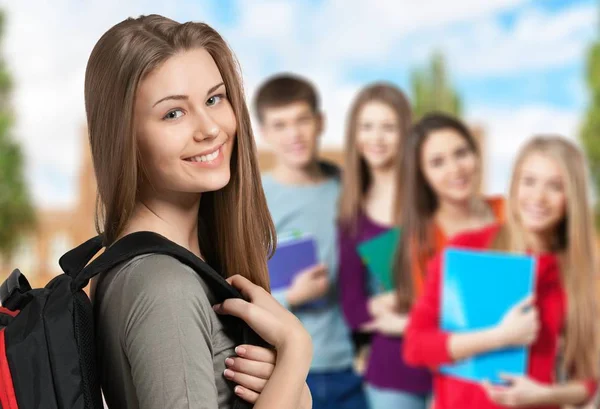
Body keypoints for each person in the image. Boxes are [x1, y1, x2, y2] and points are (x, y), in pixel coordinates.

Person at [88, 15, 312, 409]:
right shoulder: (163, 286)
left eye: (214, 99)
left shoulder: (182, 265)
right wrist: (294, 354)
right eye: (173, 113)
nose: (209, 128)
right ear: (125, 138)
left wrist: (294, 393)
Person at [404, 136, 599, 409]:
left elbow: (589, 380)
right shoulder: (467, 249)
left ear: (572, 198)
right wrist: (500, 337)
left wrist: (546, 395)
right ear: (515, 185)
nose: (538, 197)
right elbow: (416, 347)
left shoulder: (574, 273)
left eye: (555, 186)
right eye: (529, 181)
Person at [255, 74, 368, 409]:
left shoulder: (349, 189)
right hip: (284, 370)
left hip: (349, 367)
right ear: (264, 134)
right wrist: (292, 296)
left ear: (320, 122)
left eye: (302, 120)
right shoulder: (253, 199)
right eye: (280, 124)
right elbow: (236, 287)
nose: (294, 134)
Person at [337, 83, 432, 408]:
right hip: (394, 373)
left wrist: (409, 308)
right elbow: (352, 309)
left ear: (405, 133)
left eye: (388, 127)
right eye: (367, 126)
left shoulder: (430, 198)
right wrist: (382, 305)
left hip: (456, 367)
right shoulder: (353, 215)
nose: (376, 138)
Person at [394, 113, 504, 311]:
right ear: (422, 175)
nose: (455, 169)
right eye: (437, 163)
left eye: (461, 153)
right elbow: (427, 323)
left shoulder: (510, 212)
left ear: (476, 155)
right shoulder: (421, 242)